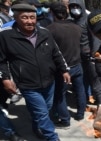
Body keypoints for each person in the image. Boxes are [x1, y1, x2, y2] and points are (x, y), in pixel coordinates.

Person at [0, 3, 71, 140]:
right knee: (43, 113)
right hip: (28, 85)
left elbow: (56, 53)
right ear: (15, 18)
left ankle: (35, 127)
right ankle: (52, 137)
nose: (30, 21)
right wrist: (5, 78)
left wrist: (64, 70)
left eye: (32, 17)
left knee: (45, 109)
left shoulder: (45, 32)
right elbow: (1, 61)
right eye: (25, 17)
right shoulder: (6, 36)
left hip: (49, 82)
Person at [47, 1, 86, 126]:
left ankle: (65, 120)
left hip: (62, 69)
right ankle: (80, 114)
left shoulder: (50, 30)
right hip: (78, 64)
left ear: (52, 13)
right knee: (80, 90)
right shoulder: (77, 27)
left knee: (59, 95)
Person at [68, 0, 101, 105]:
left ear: (82, 6)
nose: (75, 9)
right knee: (83, 81)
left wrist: (94, 54)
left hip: (90, 57)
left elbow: (95, 38)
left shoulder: (88, 20)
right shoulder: (72, 21)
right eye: (72, 7)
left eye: (77, 6)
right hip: (79, 57)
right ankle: (85, 101)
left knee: (96, 84)